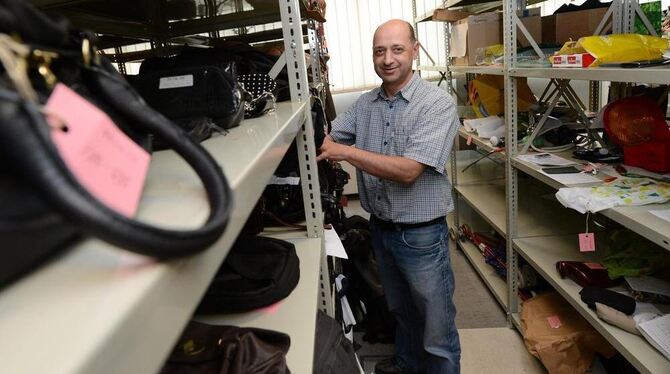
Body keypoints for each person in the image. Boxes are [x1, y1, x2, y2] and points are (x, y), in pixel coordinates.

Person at [316, 19, 461, 374]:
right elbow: (329, 137)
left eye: (397, 49)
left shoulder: (437, 104)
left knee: (435, 327)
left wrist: (347, 153)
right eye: (380, 51)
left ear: (414, 50)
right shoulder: (367, 105)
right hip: (381, 229)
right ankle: (407, 366)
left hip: (421, 236)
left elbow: (409, 170)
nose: (388, 59)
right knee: (401, 312)